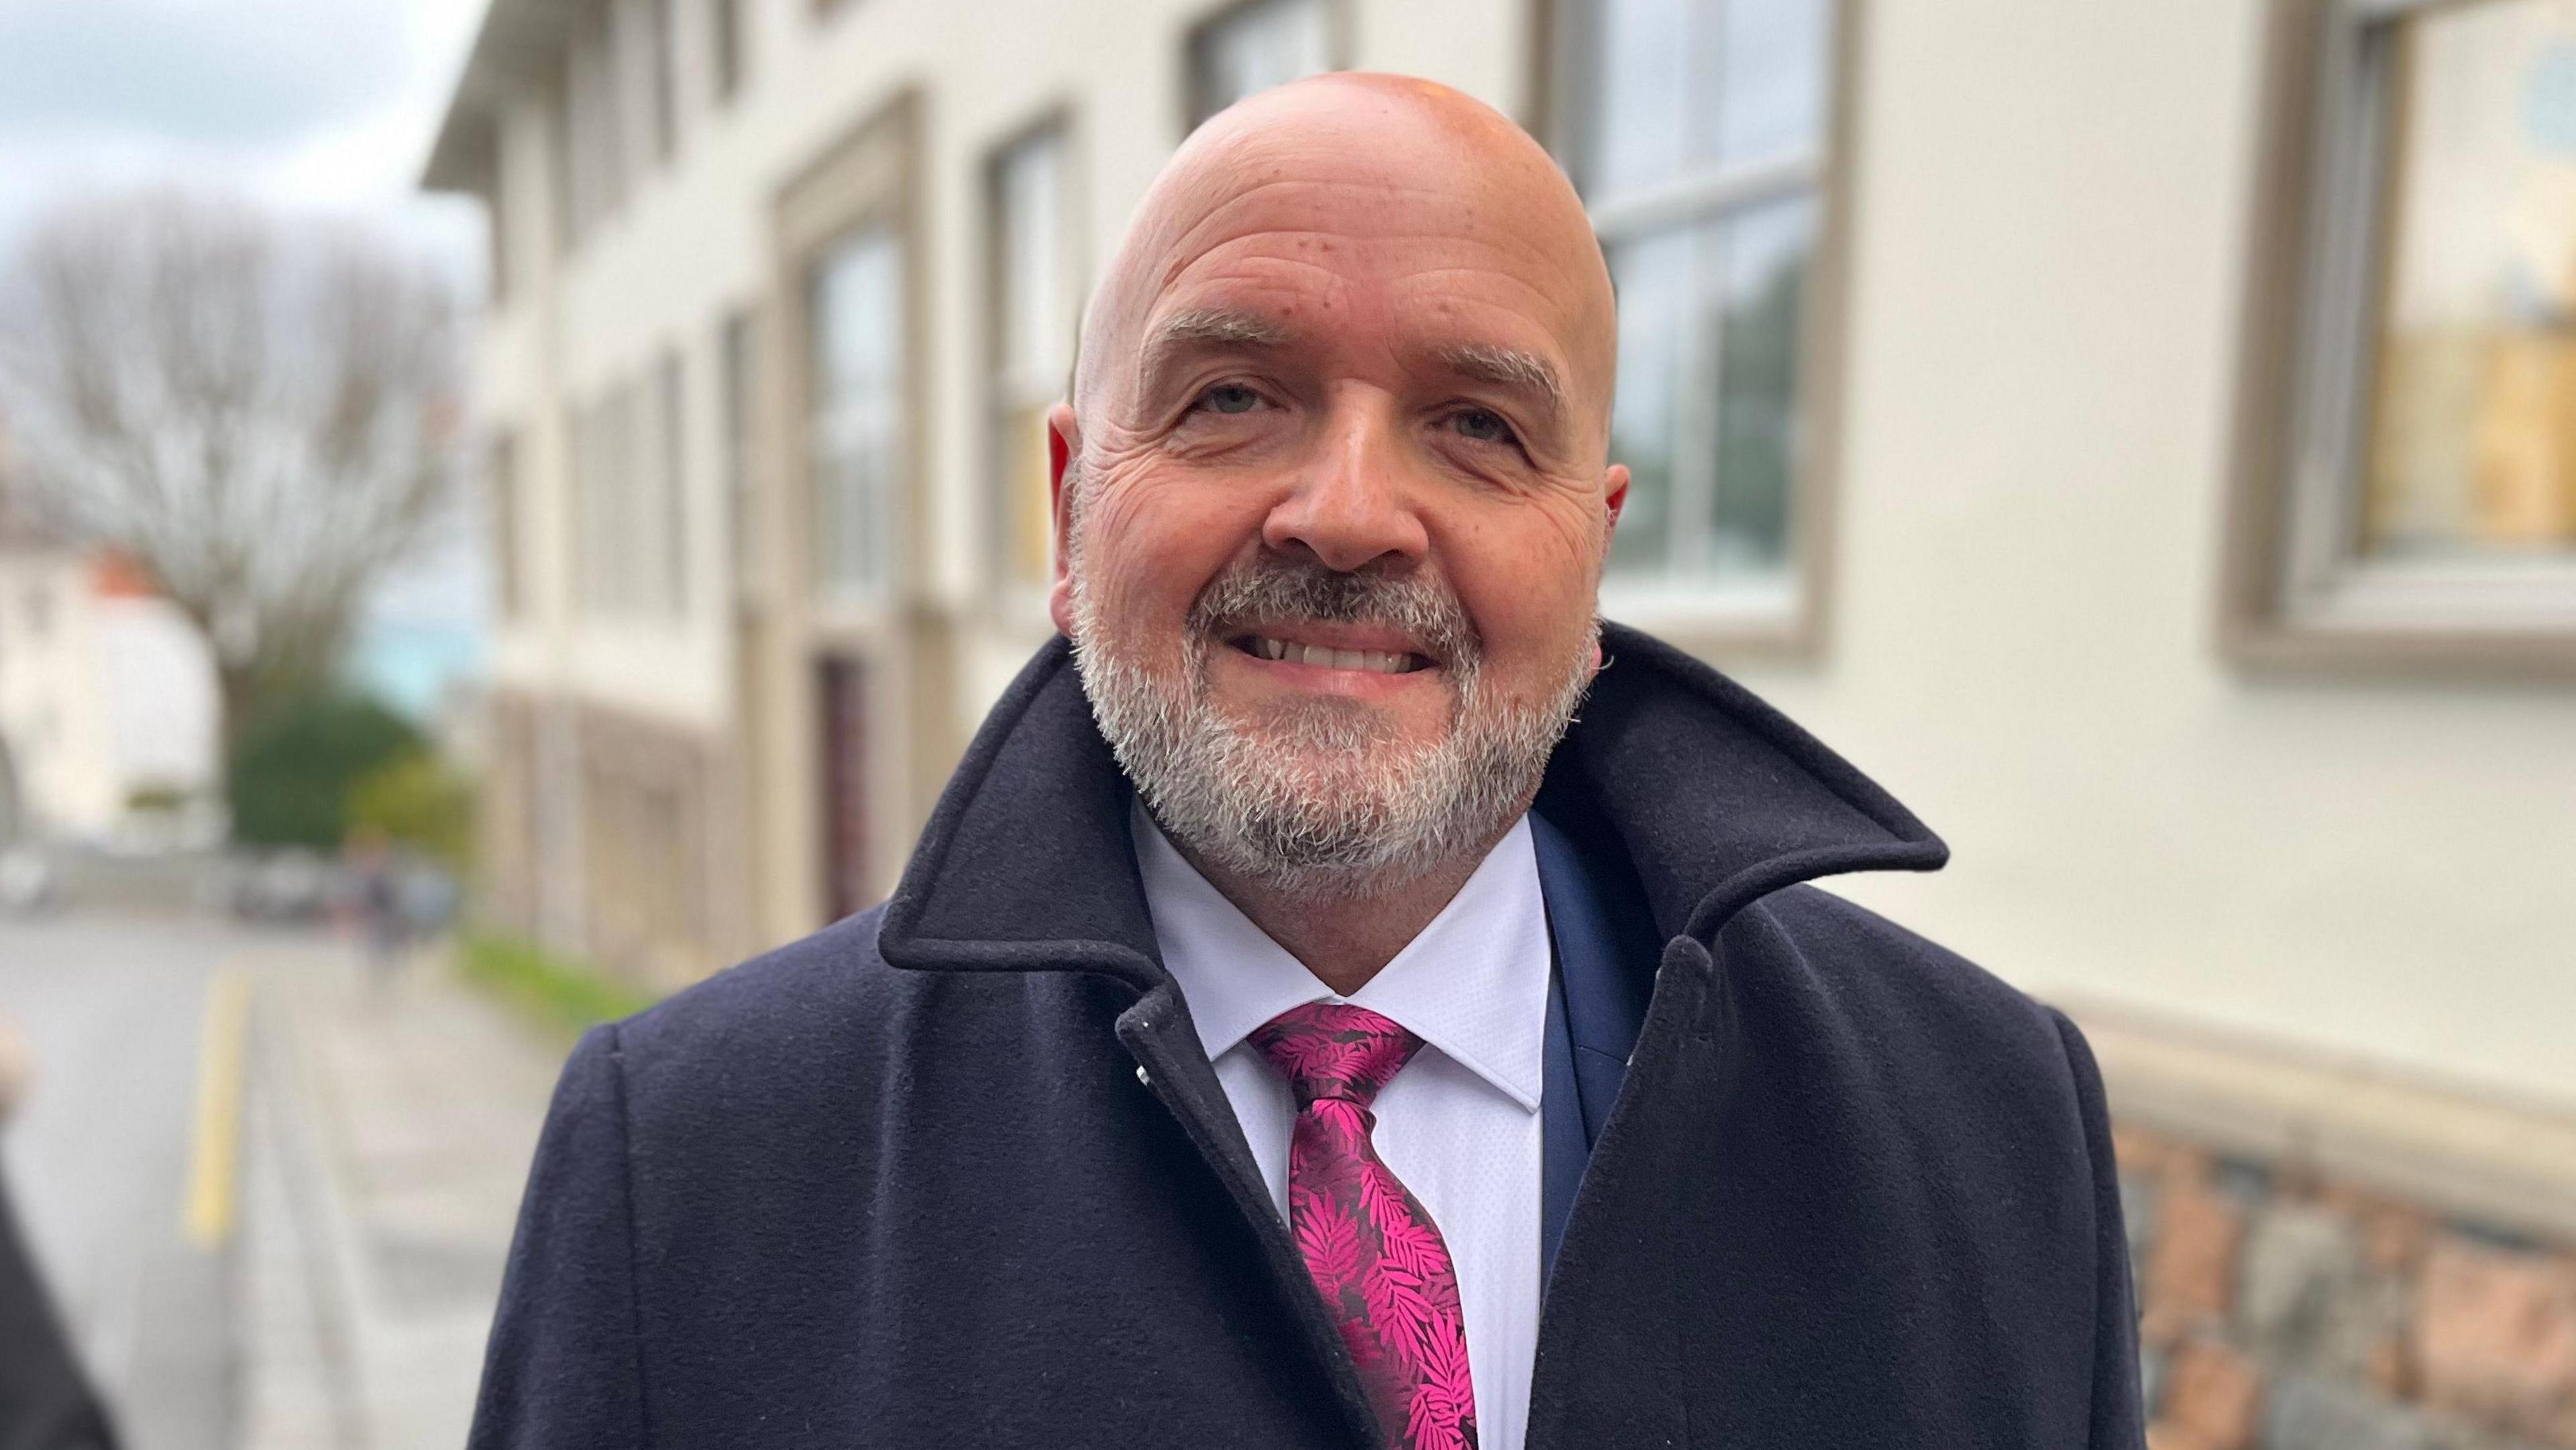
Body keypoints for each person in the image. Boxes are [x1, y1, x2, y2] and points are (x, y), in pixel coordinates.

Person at [470, 74, 2143, 1450]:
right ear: (1066, 508)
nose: (1347, 514)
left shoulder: (1988, 1132)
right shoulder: (686, 1174)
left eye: (1479, 426)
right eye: (1232, 397)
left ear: (1595, 545)